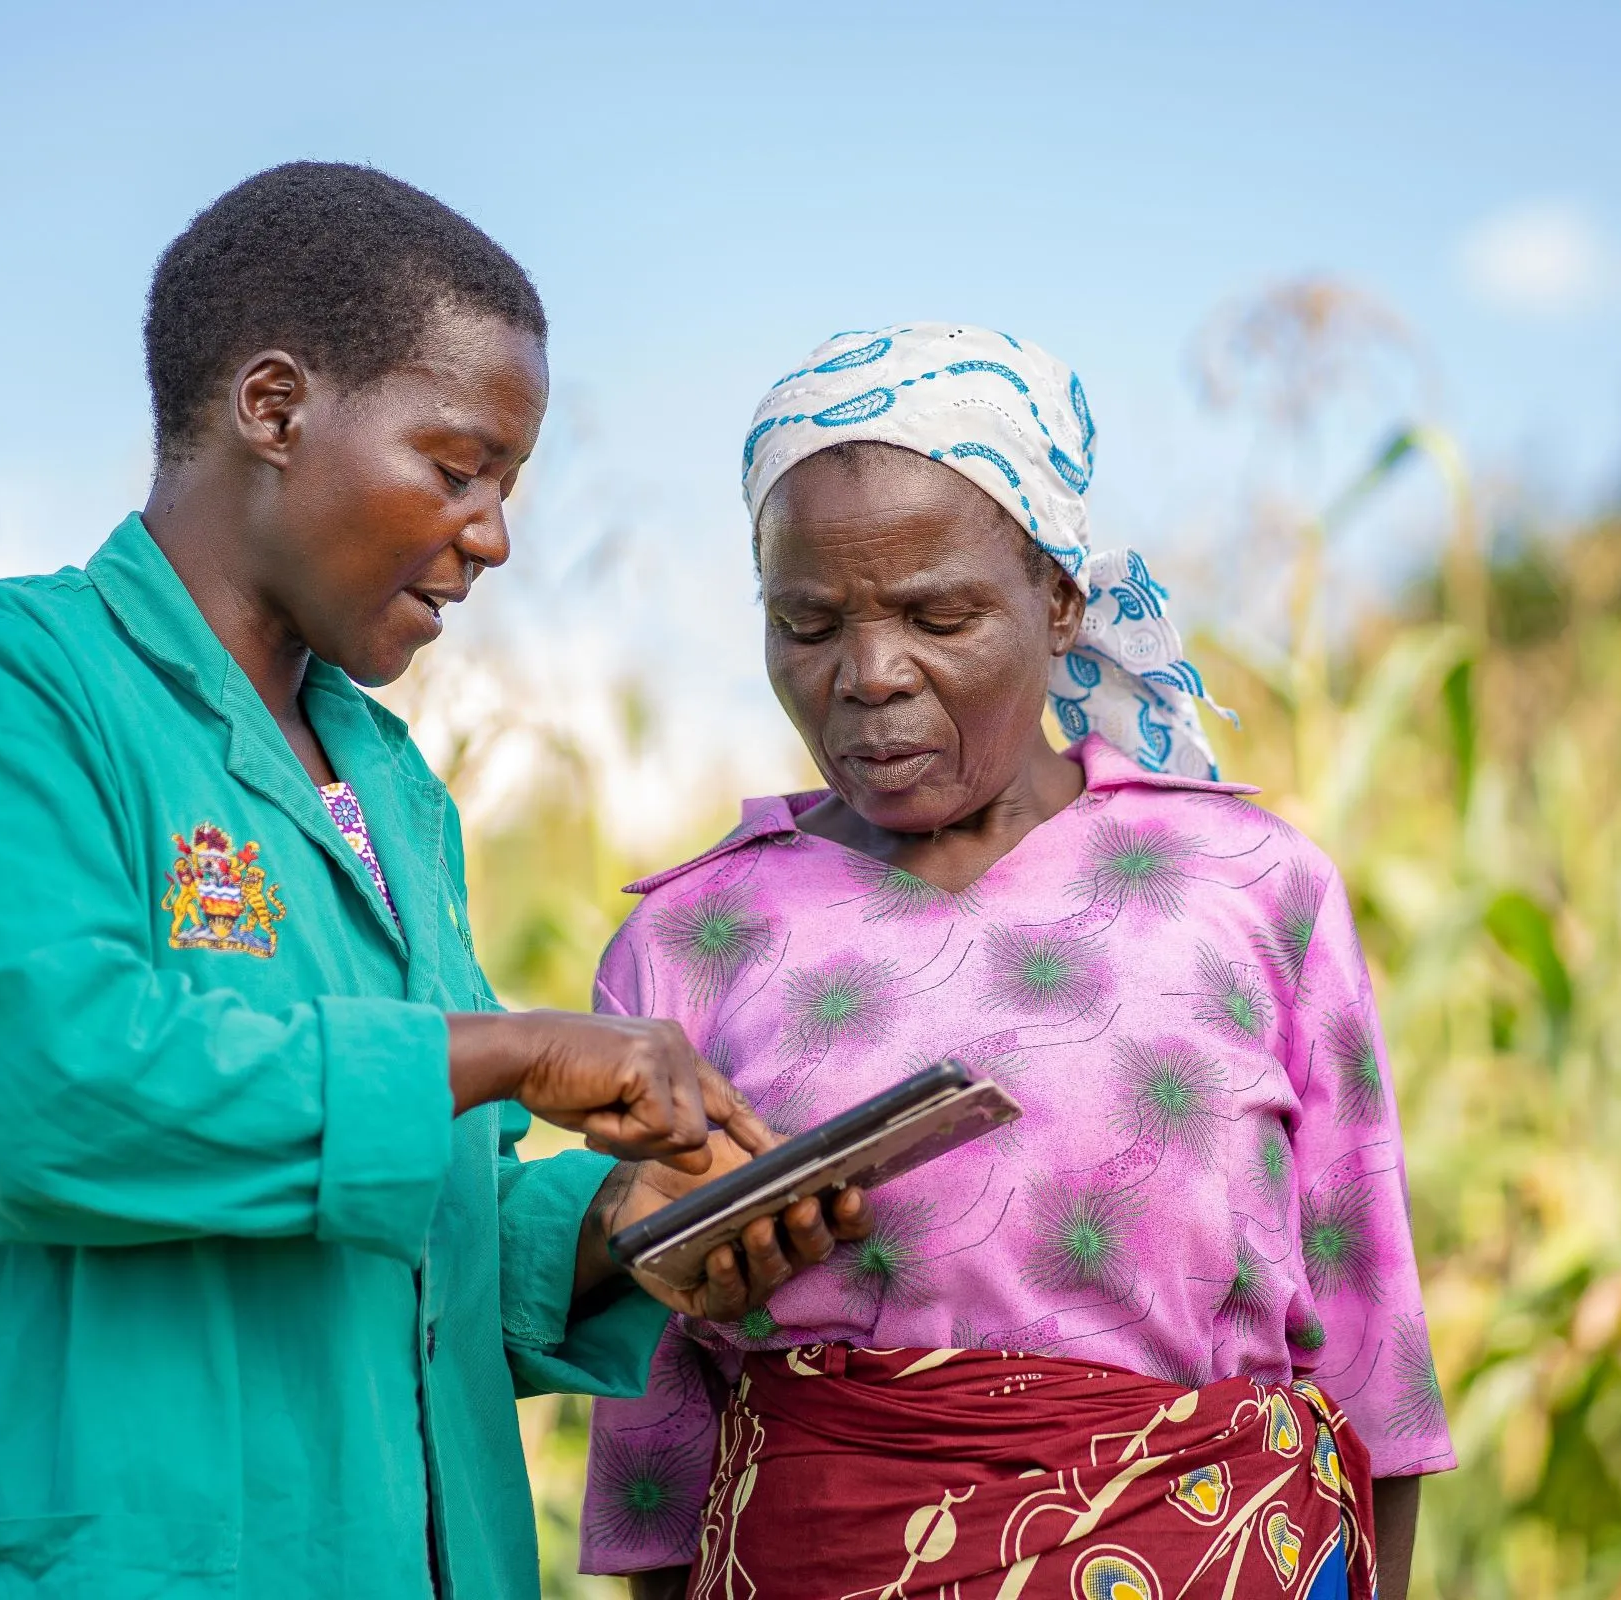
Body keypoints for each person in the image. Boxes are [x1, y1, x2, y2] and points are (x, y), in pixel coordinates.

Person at [0, 163, 862, 1600]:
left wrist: (619, 1228)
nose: (494, 535)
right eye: (456, 467)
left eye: (510, 487)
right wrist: (515, 1051)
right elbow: (40, 1099)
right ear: (274, 409)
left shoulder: (393, 792)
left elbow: (417, 1239)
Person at [579, 326, 1454, 1599]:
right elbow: (655, 1423)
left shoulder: (1250, 887)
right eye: (808, 623)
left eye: (940, 614)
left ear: (1058, 603)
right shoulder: (691, 942)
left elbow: (1371, 1335)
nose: (871, 676)